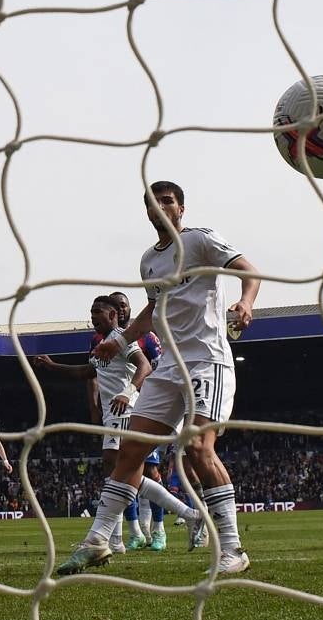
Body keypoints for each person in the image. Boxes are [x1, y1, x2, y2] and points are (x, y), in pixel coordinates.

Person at [64, 180, 260, 577]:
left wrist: (246, 301)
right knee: (130, 451)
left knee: (197, 449)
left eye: (167, 200)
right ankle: (99, 540)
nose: (159, 206)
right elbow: (152, 312)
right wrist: (118, 341)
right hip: (170, 365)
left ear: (180, 208)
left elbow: (249, 271)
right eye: (152, 202)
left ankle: (233, 549)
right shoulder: (148, 262)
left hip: (208, 360)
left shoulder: (202, 241)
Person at [33, 296, 198, 562]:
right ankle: (185, 516)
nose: (93, 316)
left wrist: (128, 391)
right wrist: (52, 366)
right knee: (122, 473)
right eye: (91, 312)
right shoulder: (100, 343)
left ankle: (116, 537)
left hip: (127, 410)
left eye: (98, 311)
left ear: (113, 315)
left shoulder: (123, 337)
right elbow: (88, 372)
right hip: (113, 414)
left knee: (116, 468)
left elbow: (144, 365)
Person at [109, 290, 171, 551]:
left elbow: (161, 366)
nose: (121, 310)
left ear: (130, 308)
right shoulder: (104, 339)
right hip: (115, 414)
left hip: (145, 410)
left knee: (151, 471)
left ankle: (159, 530)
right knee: (123, 470)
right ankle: (136, 531)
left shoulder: (147, 336)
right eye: (116, 307)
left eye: (124, 306)